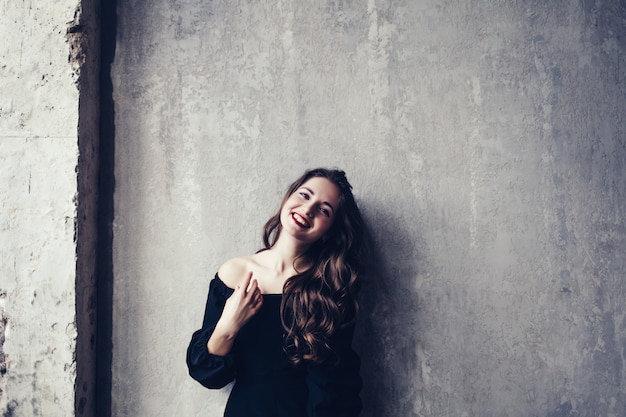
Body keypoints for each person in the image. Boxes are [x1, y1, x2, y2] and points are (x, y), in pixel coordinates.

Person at [186, 168, 370, 417]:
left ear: (330, 231)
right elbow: (209, 375)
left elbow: (334, 387)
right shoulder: (234, 273)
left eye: (324, 210)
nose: (307, 209)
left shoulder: (331, 287)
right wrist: (229, 324)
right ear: (288, 196)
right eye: (305, 195)